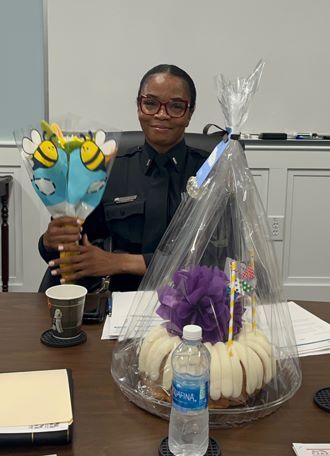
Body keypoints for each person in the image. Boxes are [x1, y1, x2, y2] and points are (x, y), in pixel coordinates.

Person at [38, 64, 209, 292]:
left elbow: (220, 257)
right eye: (150, 103)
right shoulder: (102, 168)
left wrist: (119, 262)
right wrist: (52, 241)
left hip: (188, 299)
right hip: (112, 298)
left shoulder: (213, 171)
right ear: (139, 107)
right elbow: (71, 252)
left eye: (176, 106)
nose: (161, 114)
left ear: (190, 114)